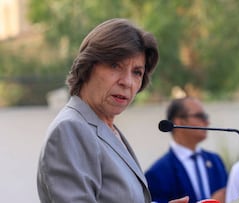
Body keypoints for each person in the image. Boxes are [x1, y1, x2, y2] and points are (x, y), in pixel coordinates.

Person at [36, 18, 188, 203]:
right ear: (88, 67)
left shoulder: (105, 128)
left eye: (137, 72)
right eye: (115, 66)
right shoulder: (70, 129)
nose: (127, 82)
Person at [145, 97, 228, 203]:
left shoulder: (215, 161)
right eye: (200, 116)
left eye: (206, 117)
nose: (207, 122)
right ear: (179, 122)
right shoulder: (157, 173)